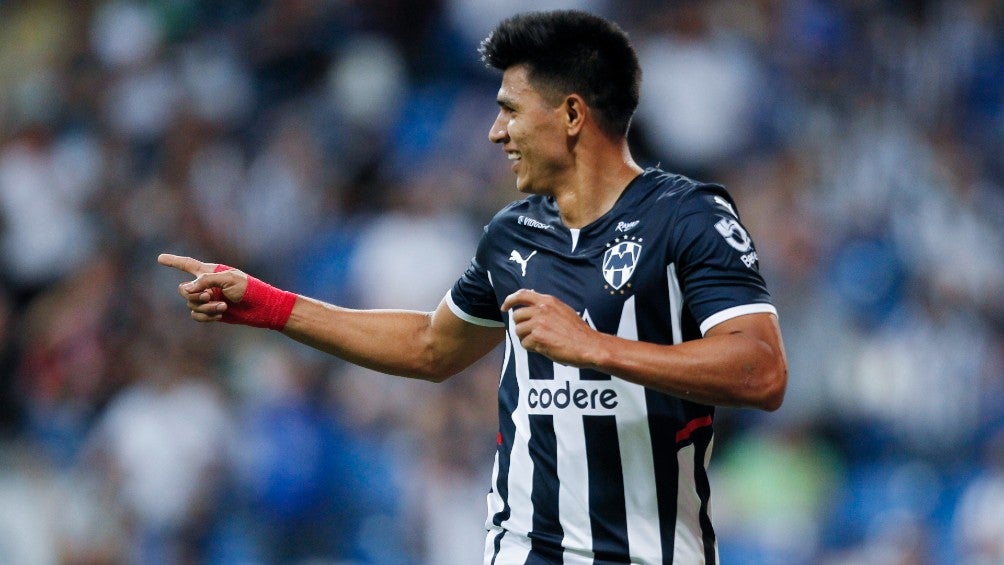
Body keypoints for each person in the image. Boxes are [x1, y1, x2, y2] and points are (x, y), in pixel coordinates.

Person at [159, 9, 787, 564]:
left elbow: (761, 372)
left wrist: (596, 348)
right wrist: (267, 305)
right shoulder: (512, 234)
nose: (495, 132)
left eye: (510, 110)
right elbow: (431, 348)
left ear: (571, 114)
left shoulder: (690, 218)